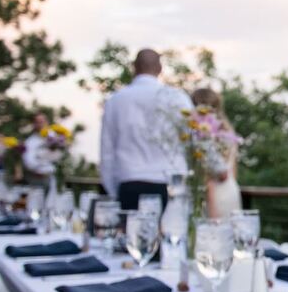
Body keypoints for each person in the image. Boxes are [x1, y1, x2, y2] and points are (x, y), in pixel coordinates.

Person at [99, 49, 192, 209]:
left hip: (130, 181)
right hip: (171, 183)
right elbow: (191, 138)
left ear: (134, 67)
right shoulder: (178, 98)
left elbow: (107, 151)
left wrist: (114, 191)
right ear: (160, 68)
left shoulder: (116, 100)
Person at [190, 87, 242, 219]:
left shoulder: (203, 135)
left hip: (212, 195)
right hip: (230, 190)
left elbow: (215, 176)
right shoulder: (228, 133)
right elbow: (233, 172)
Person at [21, 113, 55, 185]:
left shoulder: (55, 137)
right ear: (34, 124)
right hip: (35, 178)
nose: (40, 124)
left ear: (47, 122)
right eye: (37, 122)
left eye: (42, 122)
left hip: (52, 178)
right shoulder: (30, 141)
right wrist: (40, 167)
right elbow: (28, 160)